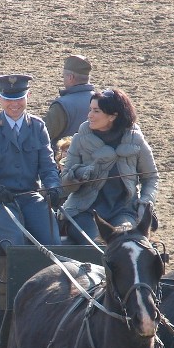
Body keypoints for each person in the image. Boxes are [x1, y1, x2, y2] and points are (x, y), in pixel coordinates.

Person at [60, 87, 158, 245]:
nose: (89, 115)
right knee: (97, 245)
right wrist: (79, 174)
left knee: (127, 243)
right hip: (84, 211)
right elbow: (64, 183)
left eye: (96, 111)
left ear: (113, 116)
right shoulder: (80, 139)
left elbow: (151, 178)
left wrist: (145, 202)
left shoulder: (136, 140)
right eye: (90, 109)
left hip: (124, 210)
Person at [0, 74, 63, 247]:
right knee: (16, 243)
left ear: (28, 96)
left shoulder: (38, 127)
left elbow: (48, 168)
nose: (14, 104)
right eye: (8, 99)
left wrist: (53, 187)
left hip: (31, 198)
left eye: (19, 98)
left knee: (52, 241)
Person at [43, 54, 95, 149]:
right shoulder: (101, 101)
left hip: (66, 160)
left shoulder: (62, 105)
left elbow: (43, 136)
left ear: (70, 77)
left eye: (64, 76)